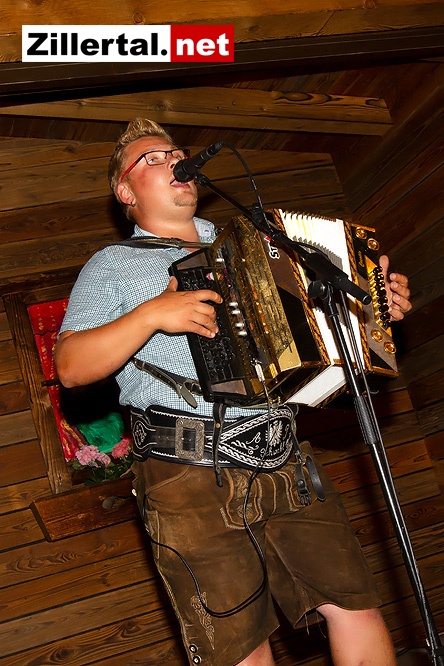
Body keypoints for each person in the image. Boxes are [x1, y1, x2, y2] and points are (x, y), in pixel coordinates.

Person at [55, 118, 412, 666]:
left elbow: (318, 342)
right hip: (188, 474)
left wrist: (371, 310)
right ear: (125, 192)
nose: (173, 160)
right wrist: (151, 314)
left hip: (285, 458)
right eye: (152, 158)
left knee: (355, 609)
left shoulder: (258, 246)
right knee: (241, 650)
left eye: (176, 151)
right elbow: (71, 367)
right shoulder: (113, 265)